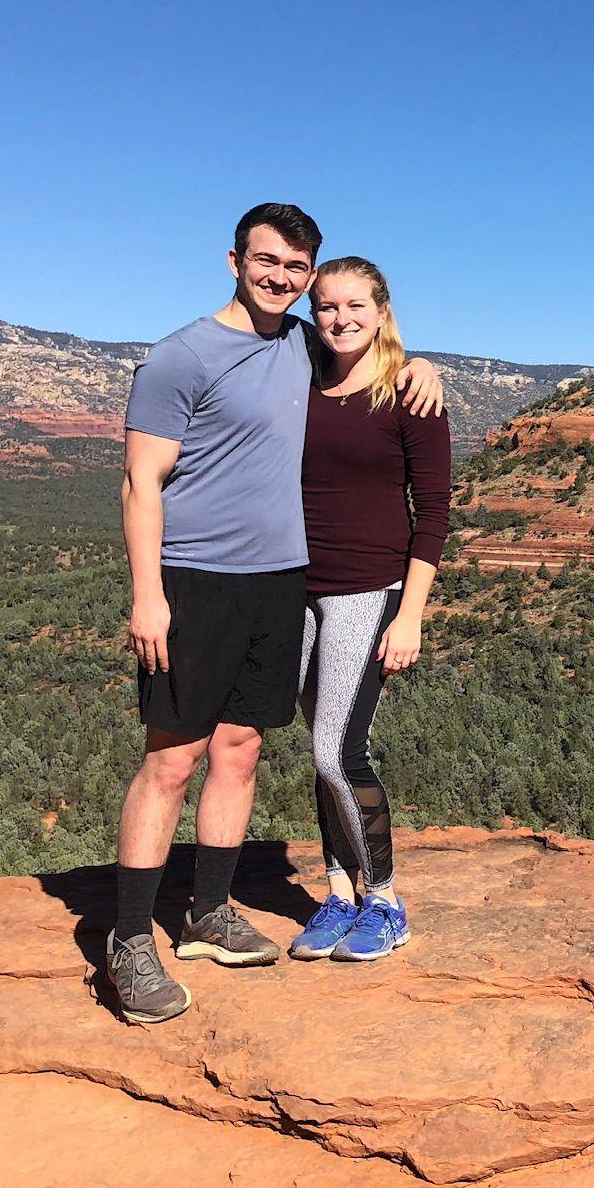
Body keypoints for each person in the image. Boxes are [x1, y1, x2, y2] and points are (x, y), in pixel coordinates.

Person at [107, 204, 444, 1026]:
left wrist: (423, 361)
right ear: (234, 260)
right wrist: (147, 594)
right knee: (173, 759)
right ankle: (126, 942)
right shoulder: (181, 355)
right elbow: (139, 482)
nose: (285, 280)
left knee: (243, 746)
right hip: (195, 580)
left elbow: (374, 365)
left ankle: (211, 911)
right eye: (269, 263)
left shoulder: (304, 344)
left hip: (282, 584)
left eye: (298, 269)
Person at [286, 257, 450, 964]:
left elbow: (433, 513)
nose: (340, 317)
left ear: (382, 309)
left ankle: (384, 898)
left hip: (368, 589)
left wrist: (409, 614)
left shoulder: (409, 392)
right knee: (317, 754)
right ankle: (337, 892)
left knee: (337, 749)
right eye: (326, 306)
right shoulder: (298, 372)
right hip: (291, 588)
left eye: (355, 304)